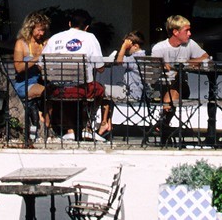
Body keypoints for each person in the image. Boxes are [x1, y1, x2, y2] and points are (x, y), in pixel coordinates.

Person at [43, 8, 108, 141]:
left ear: (69, 24)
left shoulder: (55, 38)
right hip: (82, 89)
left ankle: (69, 129)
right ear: (87, 27)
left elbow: (41, 64)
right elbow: (100, 68)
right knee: (99, 90)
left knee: (67, 92)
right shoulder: (90, 38)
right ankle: (86, 126)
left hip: (58, 89)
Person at [149, 15, 208, 142]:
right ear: (175, 32)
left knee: (177, 82)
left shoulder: (190, 44)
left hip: (181, 87)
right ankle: (163, 124)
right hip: (160, 86)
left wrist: (187, 62)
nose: (190, 33)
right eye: (186, 30)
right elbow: (153, 71)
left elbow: (205, 57)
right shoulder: (159, 48)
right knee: (173, 85)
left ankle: (162, 123)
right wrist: (162, 67)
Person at [100, 30, 147, 140]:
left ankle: (104, 123)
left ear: (135, 46)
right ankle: (107, 124)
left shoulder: (135, 58)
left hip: (131, 92)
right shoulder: (142, 56)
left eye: (128, 47)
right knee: (108, 92)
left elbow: (119, 61)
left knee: (101, 89)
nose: (126, 49)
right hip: (135, 91)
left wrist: (123, 47)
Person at [12, 11, 50, 141]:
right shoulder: (21, 44)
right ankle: (45, 124)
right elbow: (19, 67)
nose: (42, 34)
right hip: (24, 84)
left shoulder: (43, 43)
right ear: (31, 27)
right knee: (49, 92)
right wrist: (37, 58)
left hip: (39, 81)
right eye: (39, 30)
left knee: (55, 92)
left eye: (44, 30)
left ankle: (43, 123)